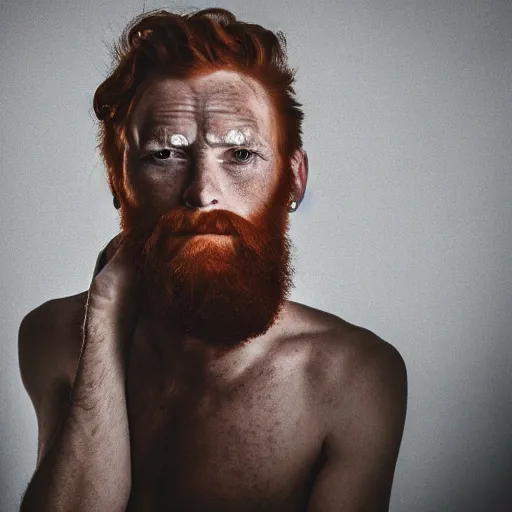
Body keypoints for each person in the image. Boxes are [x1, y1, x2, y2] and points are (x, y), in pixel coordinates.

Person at [18, 7, 407, 511]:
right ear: (118, 180)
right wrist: (106, 318)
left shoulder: (353, 378)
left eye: (241, 155)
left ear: (293, 179)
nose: (203, 192)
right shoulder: (54, 337)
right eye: (164, 154)